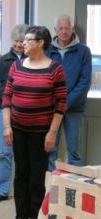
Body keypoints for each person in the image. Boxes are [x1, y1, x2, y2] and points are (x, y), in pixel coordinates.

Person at [2, 26, 67, 219]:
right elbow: (7, 97)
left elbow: (61, 104)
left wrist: (52, 132)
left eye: (28, 40)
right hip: (18, 128)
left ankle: (35, 216)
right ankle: (20, 215)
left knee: (37, 175)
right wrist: (6, 126)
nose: (23, 43)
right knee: (21, 172)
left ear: (40, 43)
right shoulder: (17, 66)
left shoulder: (55, 69)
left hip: (41, 132)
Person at [47, 14, 92, 171]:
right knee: (51, 149)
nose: (64, 31)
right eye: (61, 28)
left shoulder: (84, 51)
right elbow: (44, 79)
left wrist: (65, 103)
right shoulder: (47, 50)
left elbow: (85, 82)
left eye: (67, 28)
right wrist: (55, 104)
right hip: (52, 109)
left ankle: (73, 188)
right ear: (55, 30)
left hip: (74, 109)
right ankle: (51, 190)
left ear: (73, 29)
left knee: (74, 151)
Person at [0, 24, 28, 204]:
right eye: (17, 41)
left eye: (23, 41)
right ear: (12, 41)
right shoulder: (3, 61)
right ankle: (2, 190)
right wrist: (10, 98)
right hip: (3, 110)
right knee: (5, 153)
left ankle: (23, 191)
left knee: (23, 153)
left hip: (25, 112)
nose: (19, 45)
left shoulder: (33, 60)